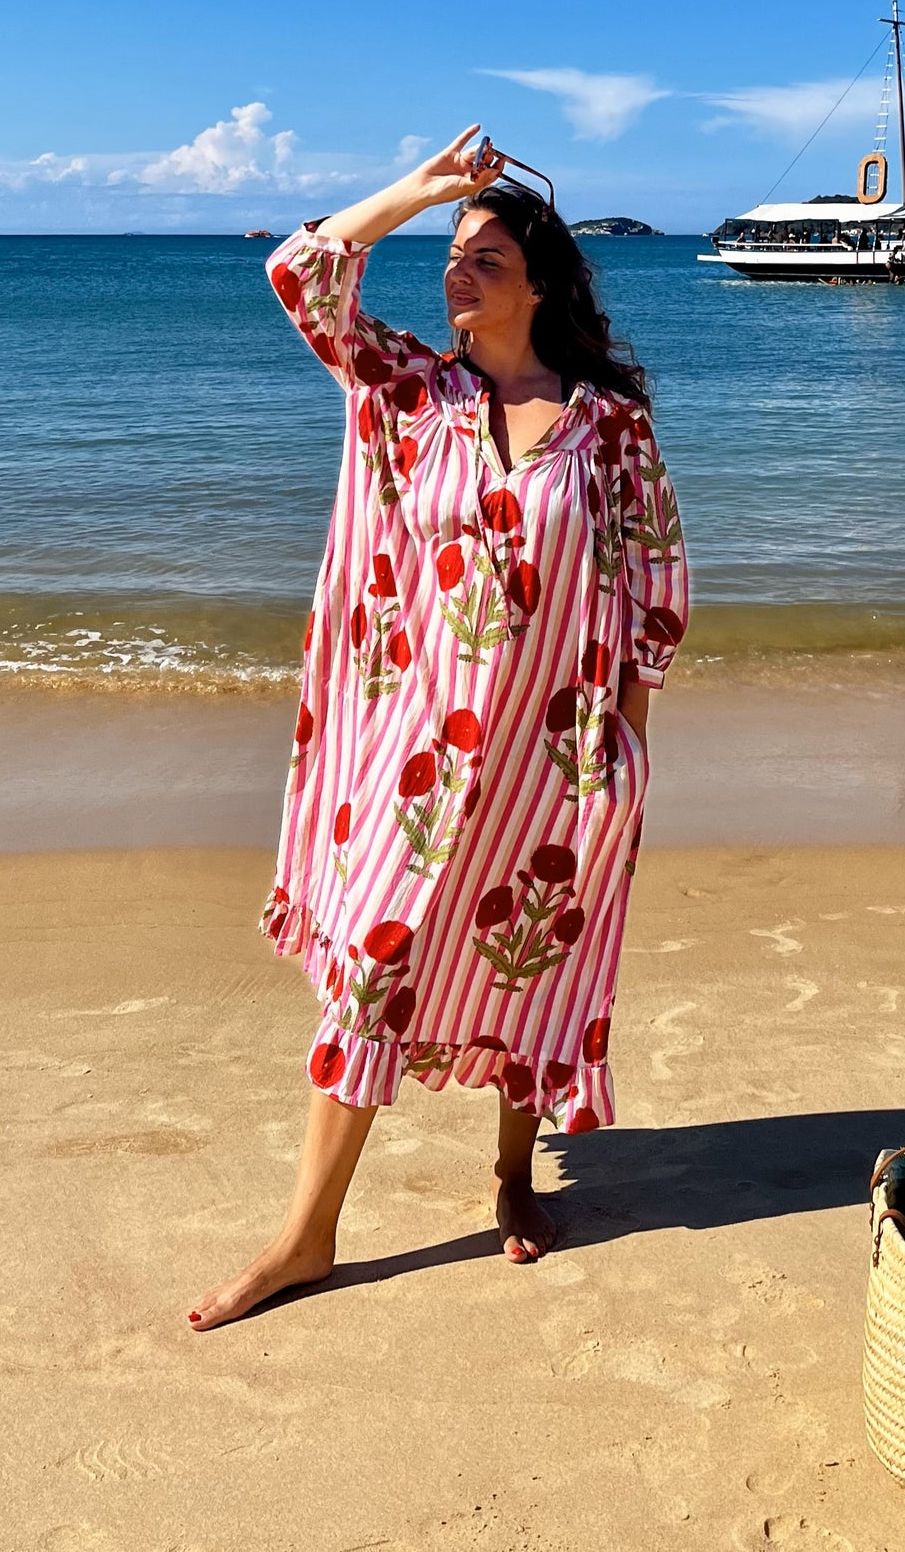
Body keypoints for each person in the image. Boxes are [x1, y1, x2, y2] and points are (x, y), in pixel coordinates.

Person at [188, 128, 689, 1329]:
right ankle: (307, 1237)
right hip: (417, 754)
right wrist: (421, 191)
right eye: (452, 256)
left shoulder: (608, 426)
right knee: (373, 966)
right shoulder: (411, 390)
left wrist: (620, 754)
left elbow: (655, 588)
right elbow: (301, 274)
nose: (457, 272)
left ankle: (515, 1177)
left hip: (556, 757)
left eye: (485, 257)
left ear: (541, 285)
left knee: (528, 954)